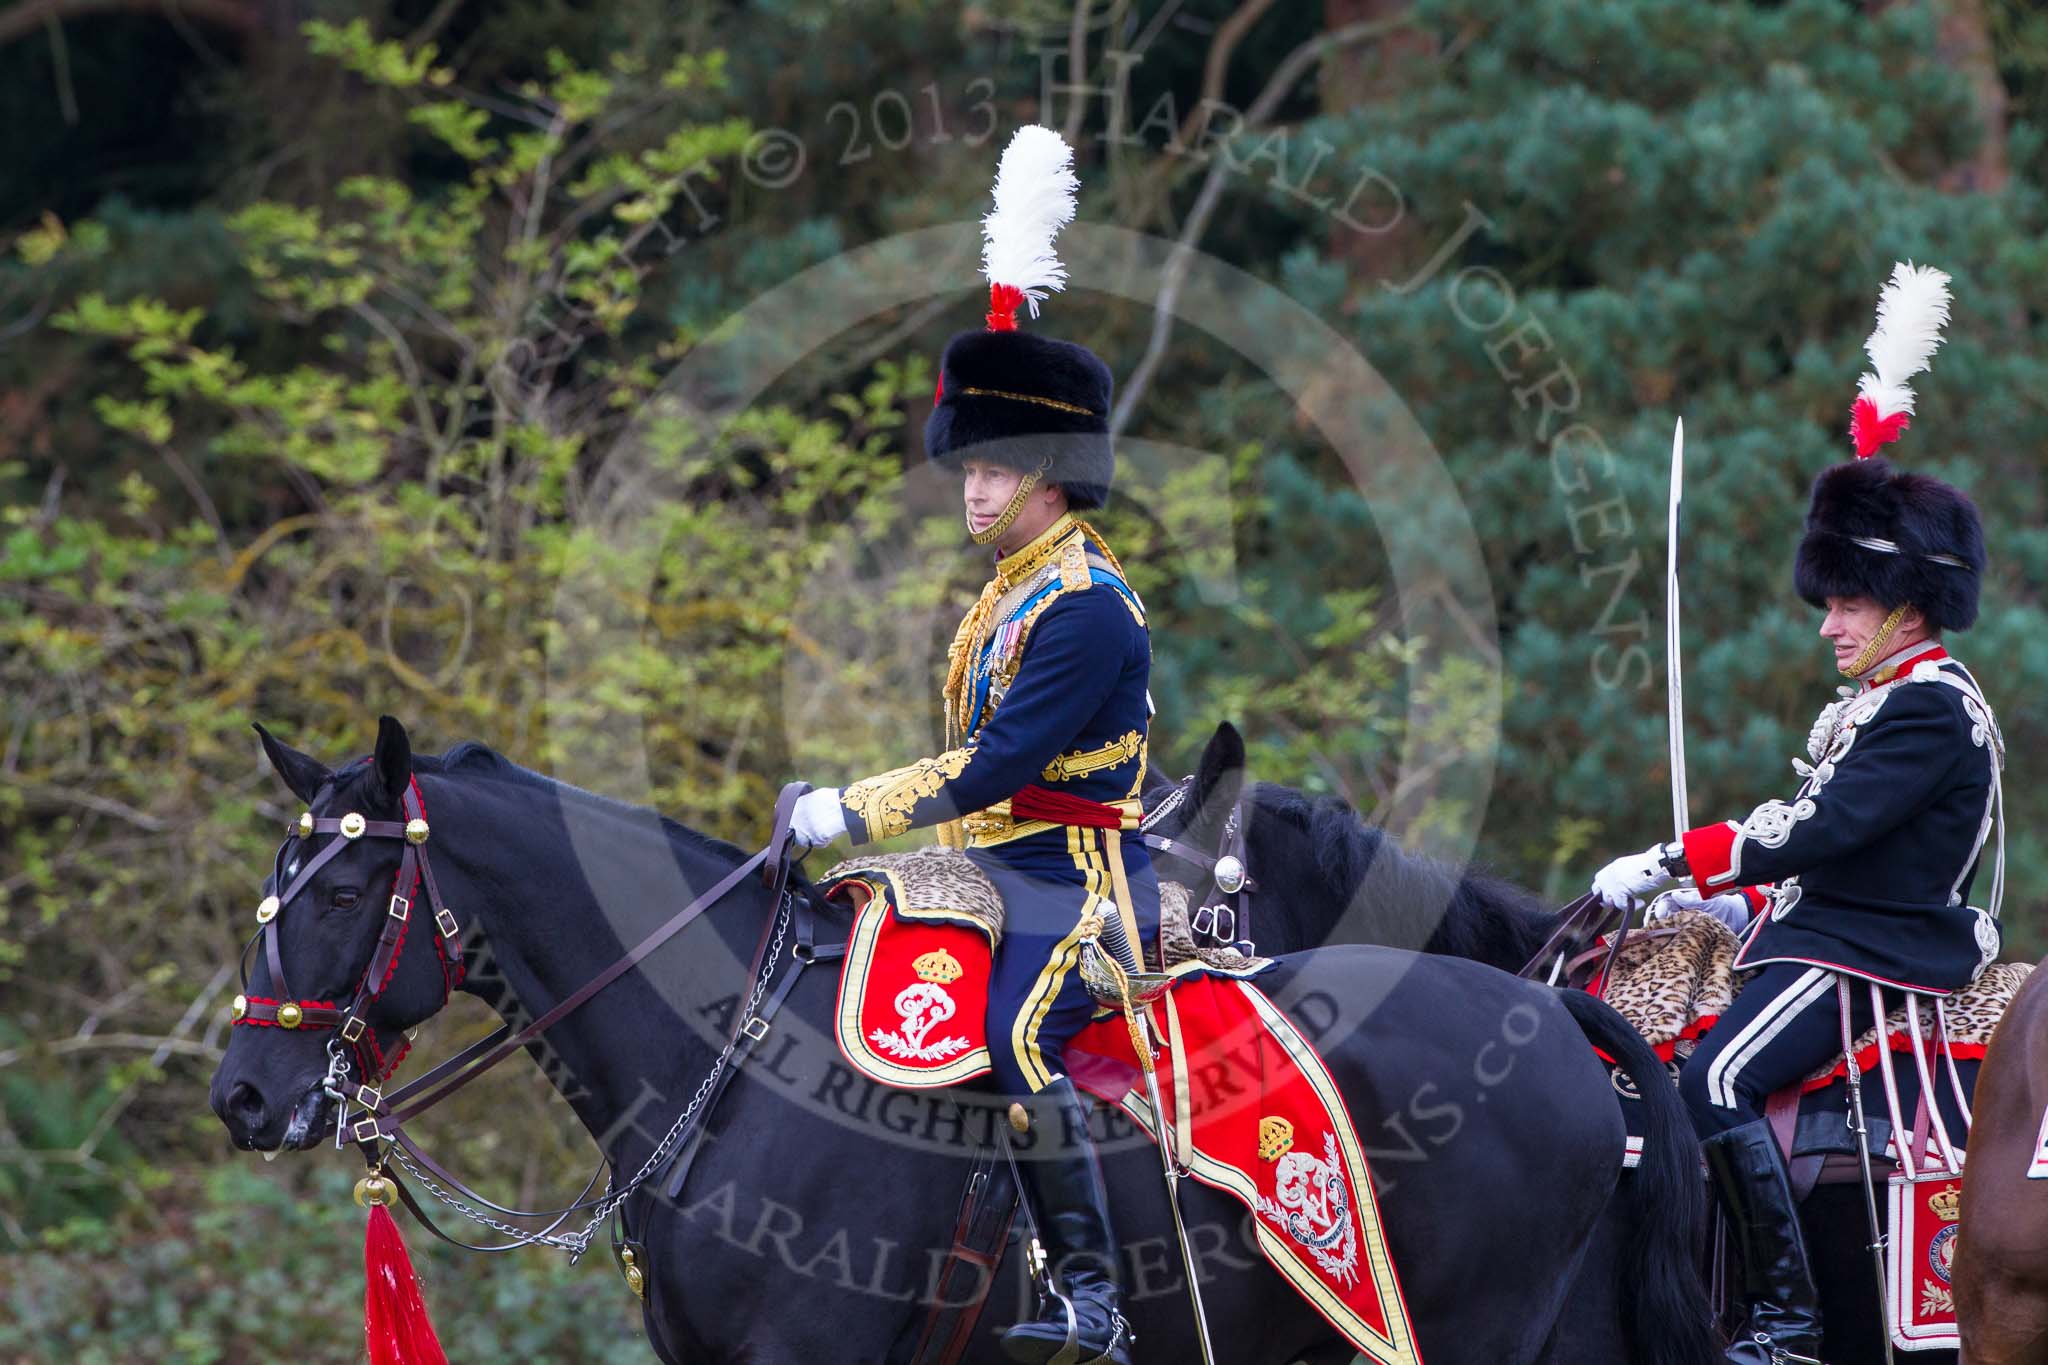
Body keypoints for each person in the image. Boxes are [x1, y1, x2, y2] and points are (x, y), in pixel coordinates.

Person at [1590, 265, 2002, 1365]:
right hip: (1816, 928)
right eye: (1827, 603)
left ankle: (1788, 1319)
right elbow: (1814, 821)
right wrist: (1737, 896)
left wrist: (1682, 858)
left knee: (1714, 1078)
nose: (1827, 626)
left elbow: (1825, 831)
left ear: (1905, 603)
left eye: (1845, 603)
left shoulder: (1925, 709)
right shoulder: (1878, 696)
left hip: (1871, 948)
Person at [788, 126, 1147, 1365]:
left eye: (998, 470)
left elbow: (993, 771)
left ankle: (1095, 1297)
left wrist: (850, 803)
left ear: (1053, 475)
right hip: (993, 867)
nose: (974, 492)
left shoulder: (1086, 608)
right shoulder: (1006, 590)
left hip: (1076, 881)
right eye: (969, 469)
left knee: (1009, 1032)